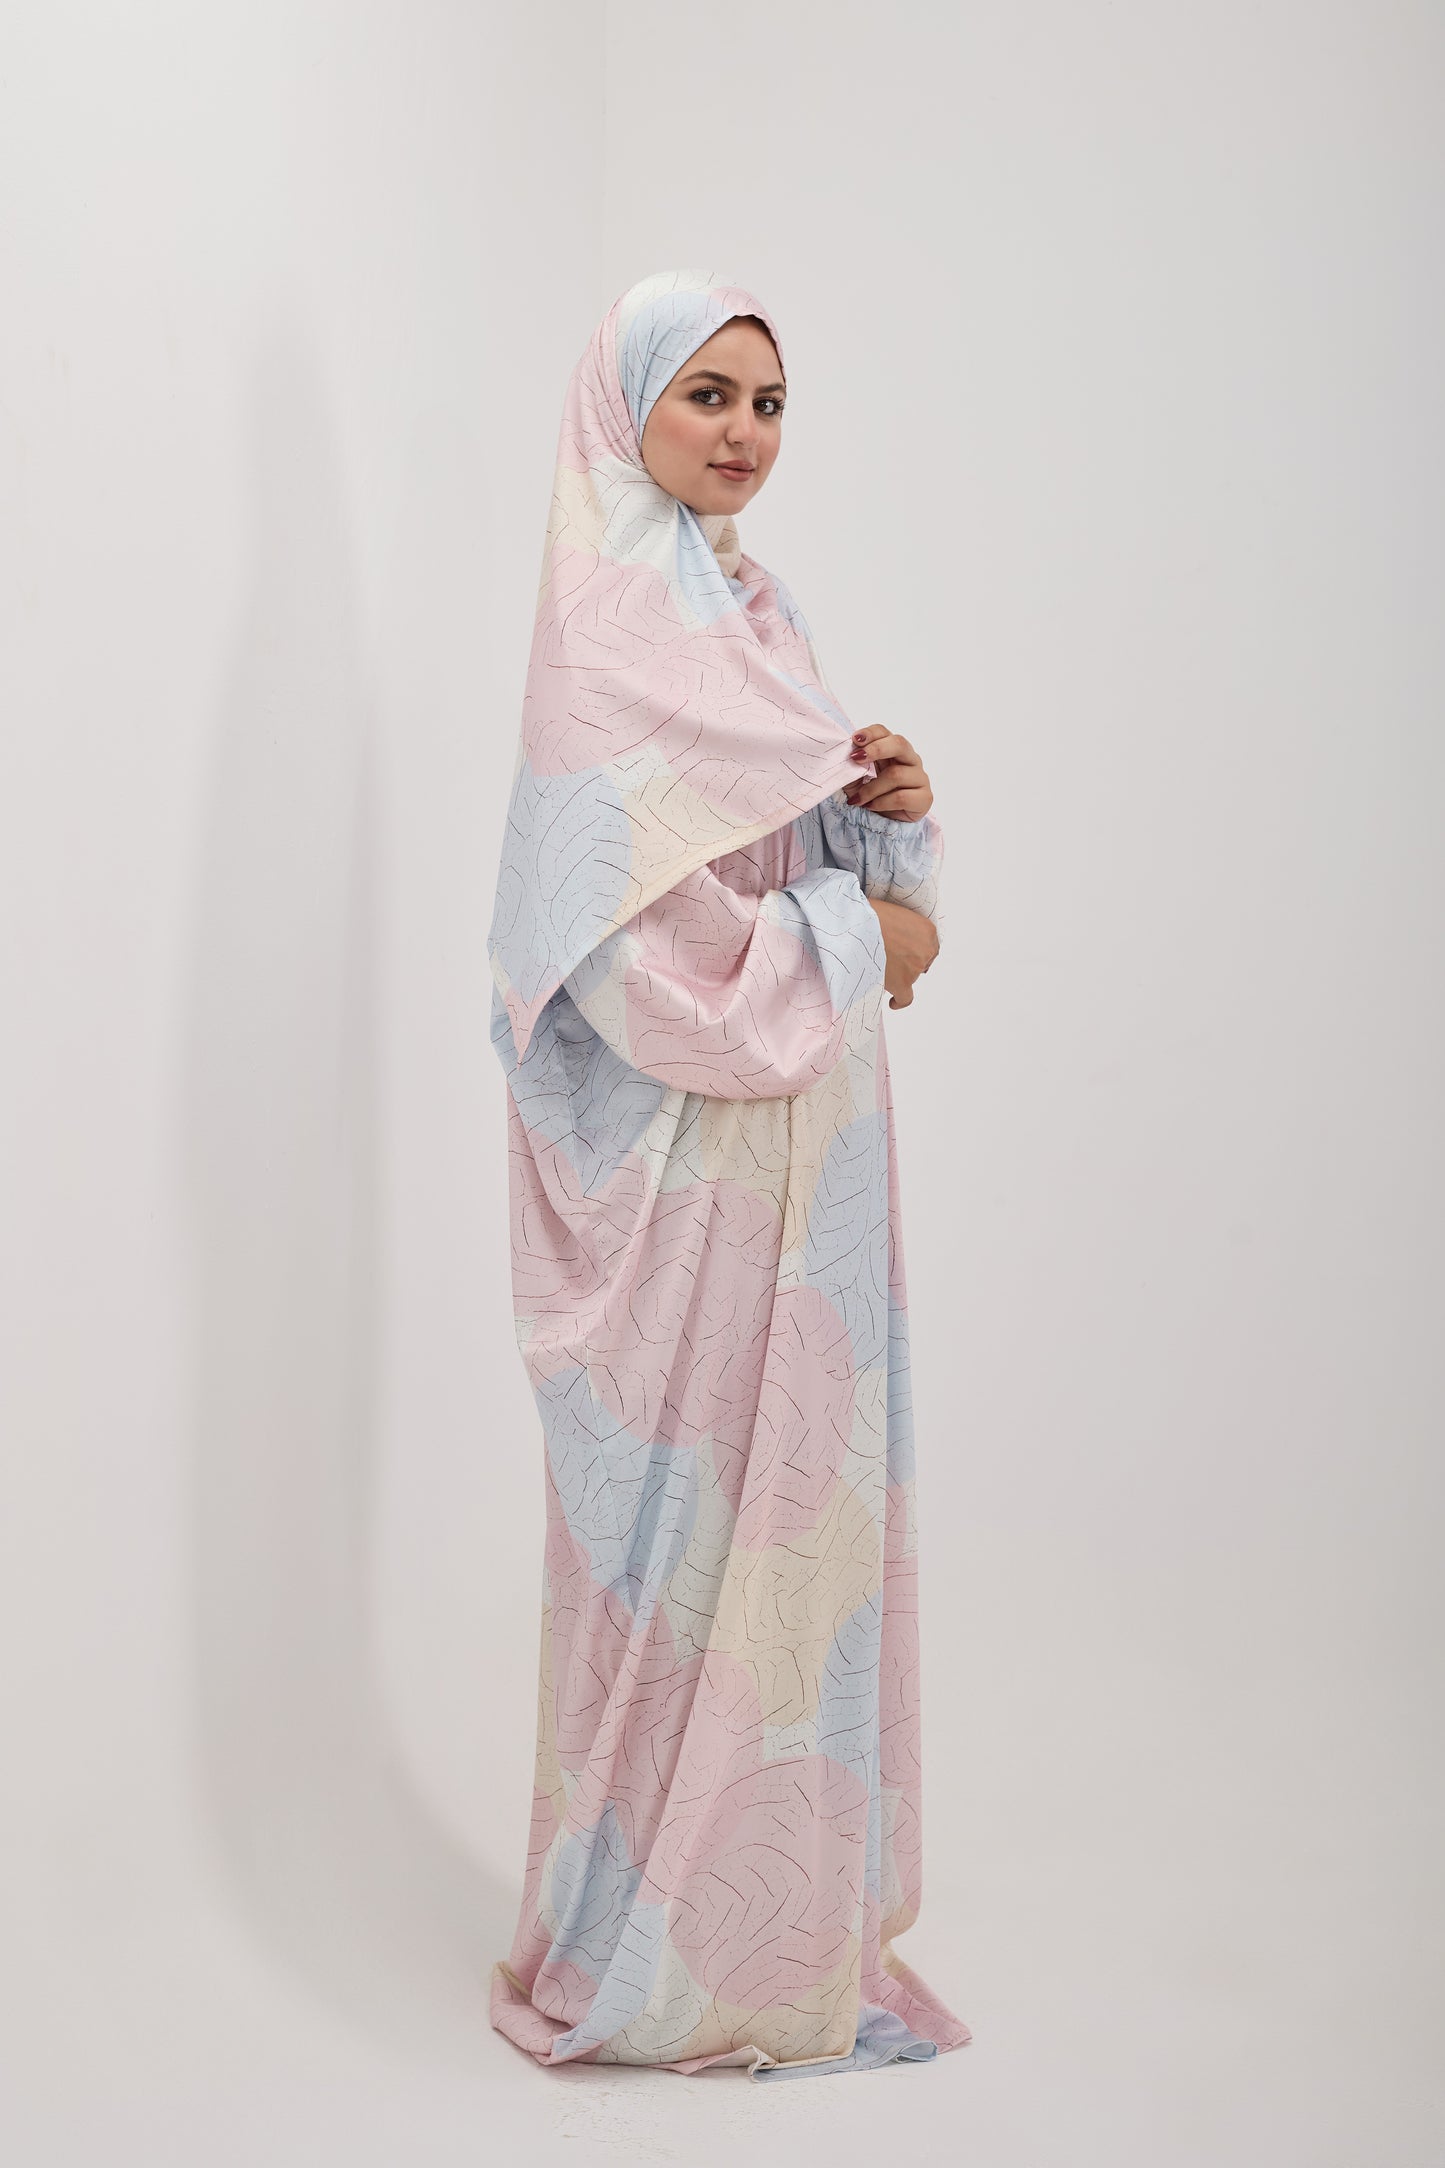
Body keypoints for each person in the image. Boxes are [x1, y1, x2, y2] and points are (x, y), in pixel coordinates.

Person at [486, 268, 970, 2080]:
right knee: (667, 1557)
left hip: (803, 1154)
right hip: (677, 1175)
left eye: (768, 403)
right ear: (624, 409)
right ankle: (645, 1957)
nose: (744, 432)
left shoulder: (758, 614)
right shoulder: (602, 639)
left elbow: (786, 852)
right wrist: (861, 938)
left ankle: (770, 1948)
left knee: (788, 1544)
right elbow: (619, 962)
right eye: (706, 394)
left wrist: (882, 812)